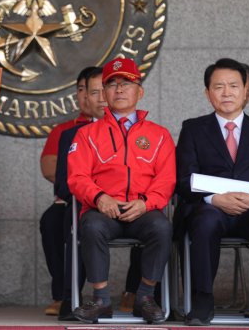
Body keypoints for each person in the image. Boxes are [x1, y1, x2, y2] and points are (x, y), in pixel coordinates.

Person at [176, 58, 249, 326]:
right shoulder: (192, 129)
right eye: (218, 87)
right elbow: (183, 179)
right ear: (207, 93)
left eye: (233, 86)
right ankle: (202, 301)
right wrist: (214, 198)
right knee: (205, 220)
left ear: (246, 91)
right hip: (209, 208)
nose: (226, 93)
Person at [68, 57, 175, 324]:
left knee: (162, 228)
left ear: (140, 91)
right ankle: (101, 299)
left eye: (126, 83)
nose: (119, 89)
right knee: (91, 226)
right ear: (104, 94)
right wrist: (99, 197)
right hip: (102, 209)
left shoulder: (159, 135)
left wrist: (147, 203)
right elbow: (77, 176)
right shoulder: (87, 134)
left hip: (142, 210)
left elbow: (166, 179)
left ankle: (145, 297)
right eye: (112, 84)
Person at [39, 66, 94, 316]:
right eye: (82, 90)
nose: (87, 96)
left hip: (110, 201)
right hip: (70, 199)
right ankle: (64, 294)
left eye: (92, 90)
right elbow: (51, 170)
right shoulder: (65, 130)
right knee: (51, 221)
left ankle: (132, 293)